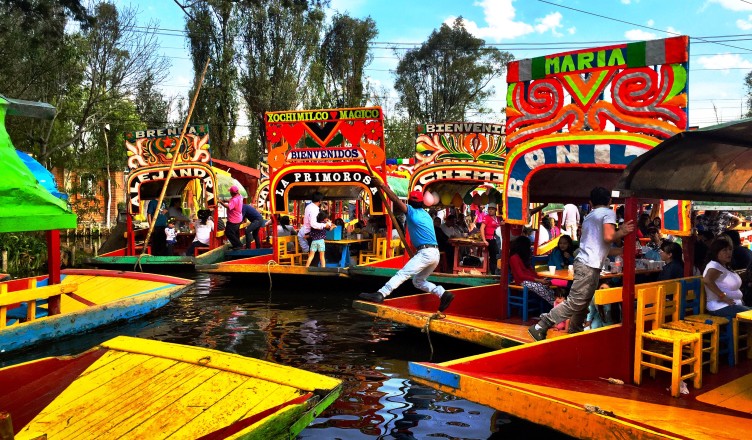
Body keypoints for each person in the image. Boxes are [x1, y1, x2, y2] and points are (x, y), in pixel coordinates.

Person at [528, 187, 635, 341]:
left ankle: (575, 332)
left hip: (585, 263)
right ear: (610, 201)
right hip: (589, 266)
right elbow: (608, 236)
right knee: (576, 303)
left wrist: (621, 250)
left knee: (582, 303)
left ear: (591, 203)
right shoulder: (608, 213)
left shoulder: (590, 216)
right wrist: (623, 231)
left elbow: (599, 246)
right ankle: (541, 325)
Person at [359, 179, 454, 312]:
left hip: (426, 253)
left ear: (410, 202)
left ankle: (381, 294)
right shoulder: (426, 215)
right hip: (434, 253)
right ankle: (442, 293)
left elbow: (396, 200)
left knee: (402, 274)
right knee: (418, 281)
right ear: (422, 203)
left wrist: (382, 186)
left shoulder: (411, 211)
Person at [702, 238, 750, 320]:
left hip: (731, 305)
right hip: (719, 307)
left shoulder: (723, 265)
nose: (729, 253)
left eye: (730, 249)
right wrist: (723, 296)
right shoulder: (715, 266)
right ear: (716, 252)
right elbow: (707, 280)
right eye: (724, 250)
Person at [509, 235, 556, 306]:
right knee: (541, 288)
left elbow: (531, 272)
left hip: (529, 280)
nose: (530, 249)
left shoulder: (523, 257)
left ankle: (556, 305)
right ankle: (556, 305)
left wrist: (541, 279)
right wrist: (538, 280)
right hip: (521, 281)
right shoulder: (514, 258)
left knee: (547, 286)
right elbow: (521, 276)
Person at [220, 186, 243, 250]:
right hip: (238, 218)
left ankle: (239, 245)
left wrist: (221, 202)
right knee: (235, 233)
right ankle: (236, 246)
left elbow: (228, 207)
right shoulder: (240, 196)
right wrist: (225, 200)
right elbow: (232, 201)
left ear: (232, 193)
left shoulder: (234, 200)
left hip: (233, 220)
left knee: (228, 233)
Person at [481, 203, 501, 275]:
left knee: (497, 256)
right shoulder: (486, 217)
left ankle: (496, 271)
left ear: (495, 210)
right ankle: (493, 273)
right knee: (494, 257)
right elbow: (482, 228)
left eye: (492, 209)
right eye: (489, 209)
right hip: (490, 239)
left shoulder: (497, 218)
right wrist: (484, 240)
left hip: (497, 240)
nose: (490, 211)